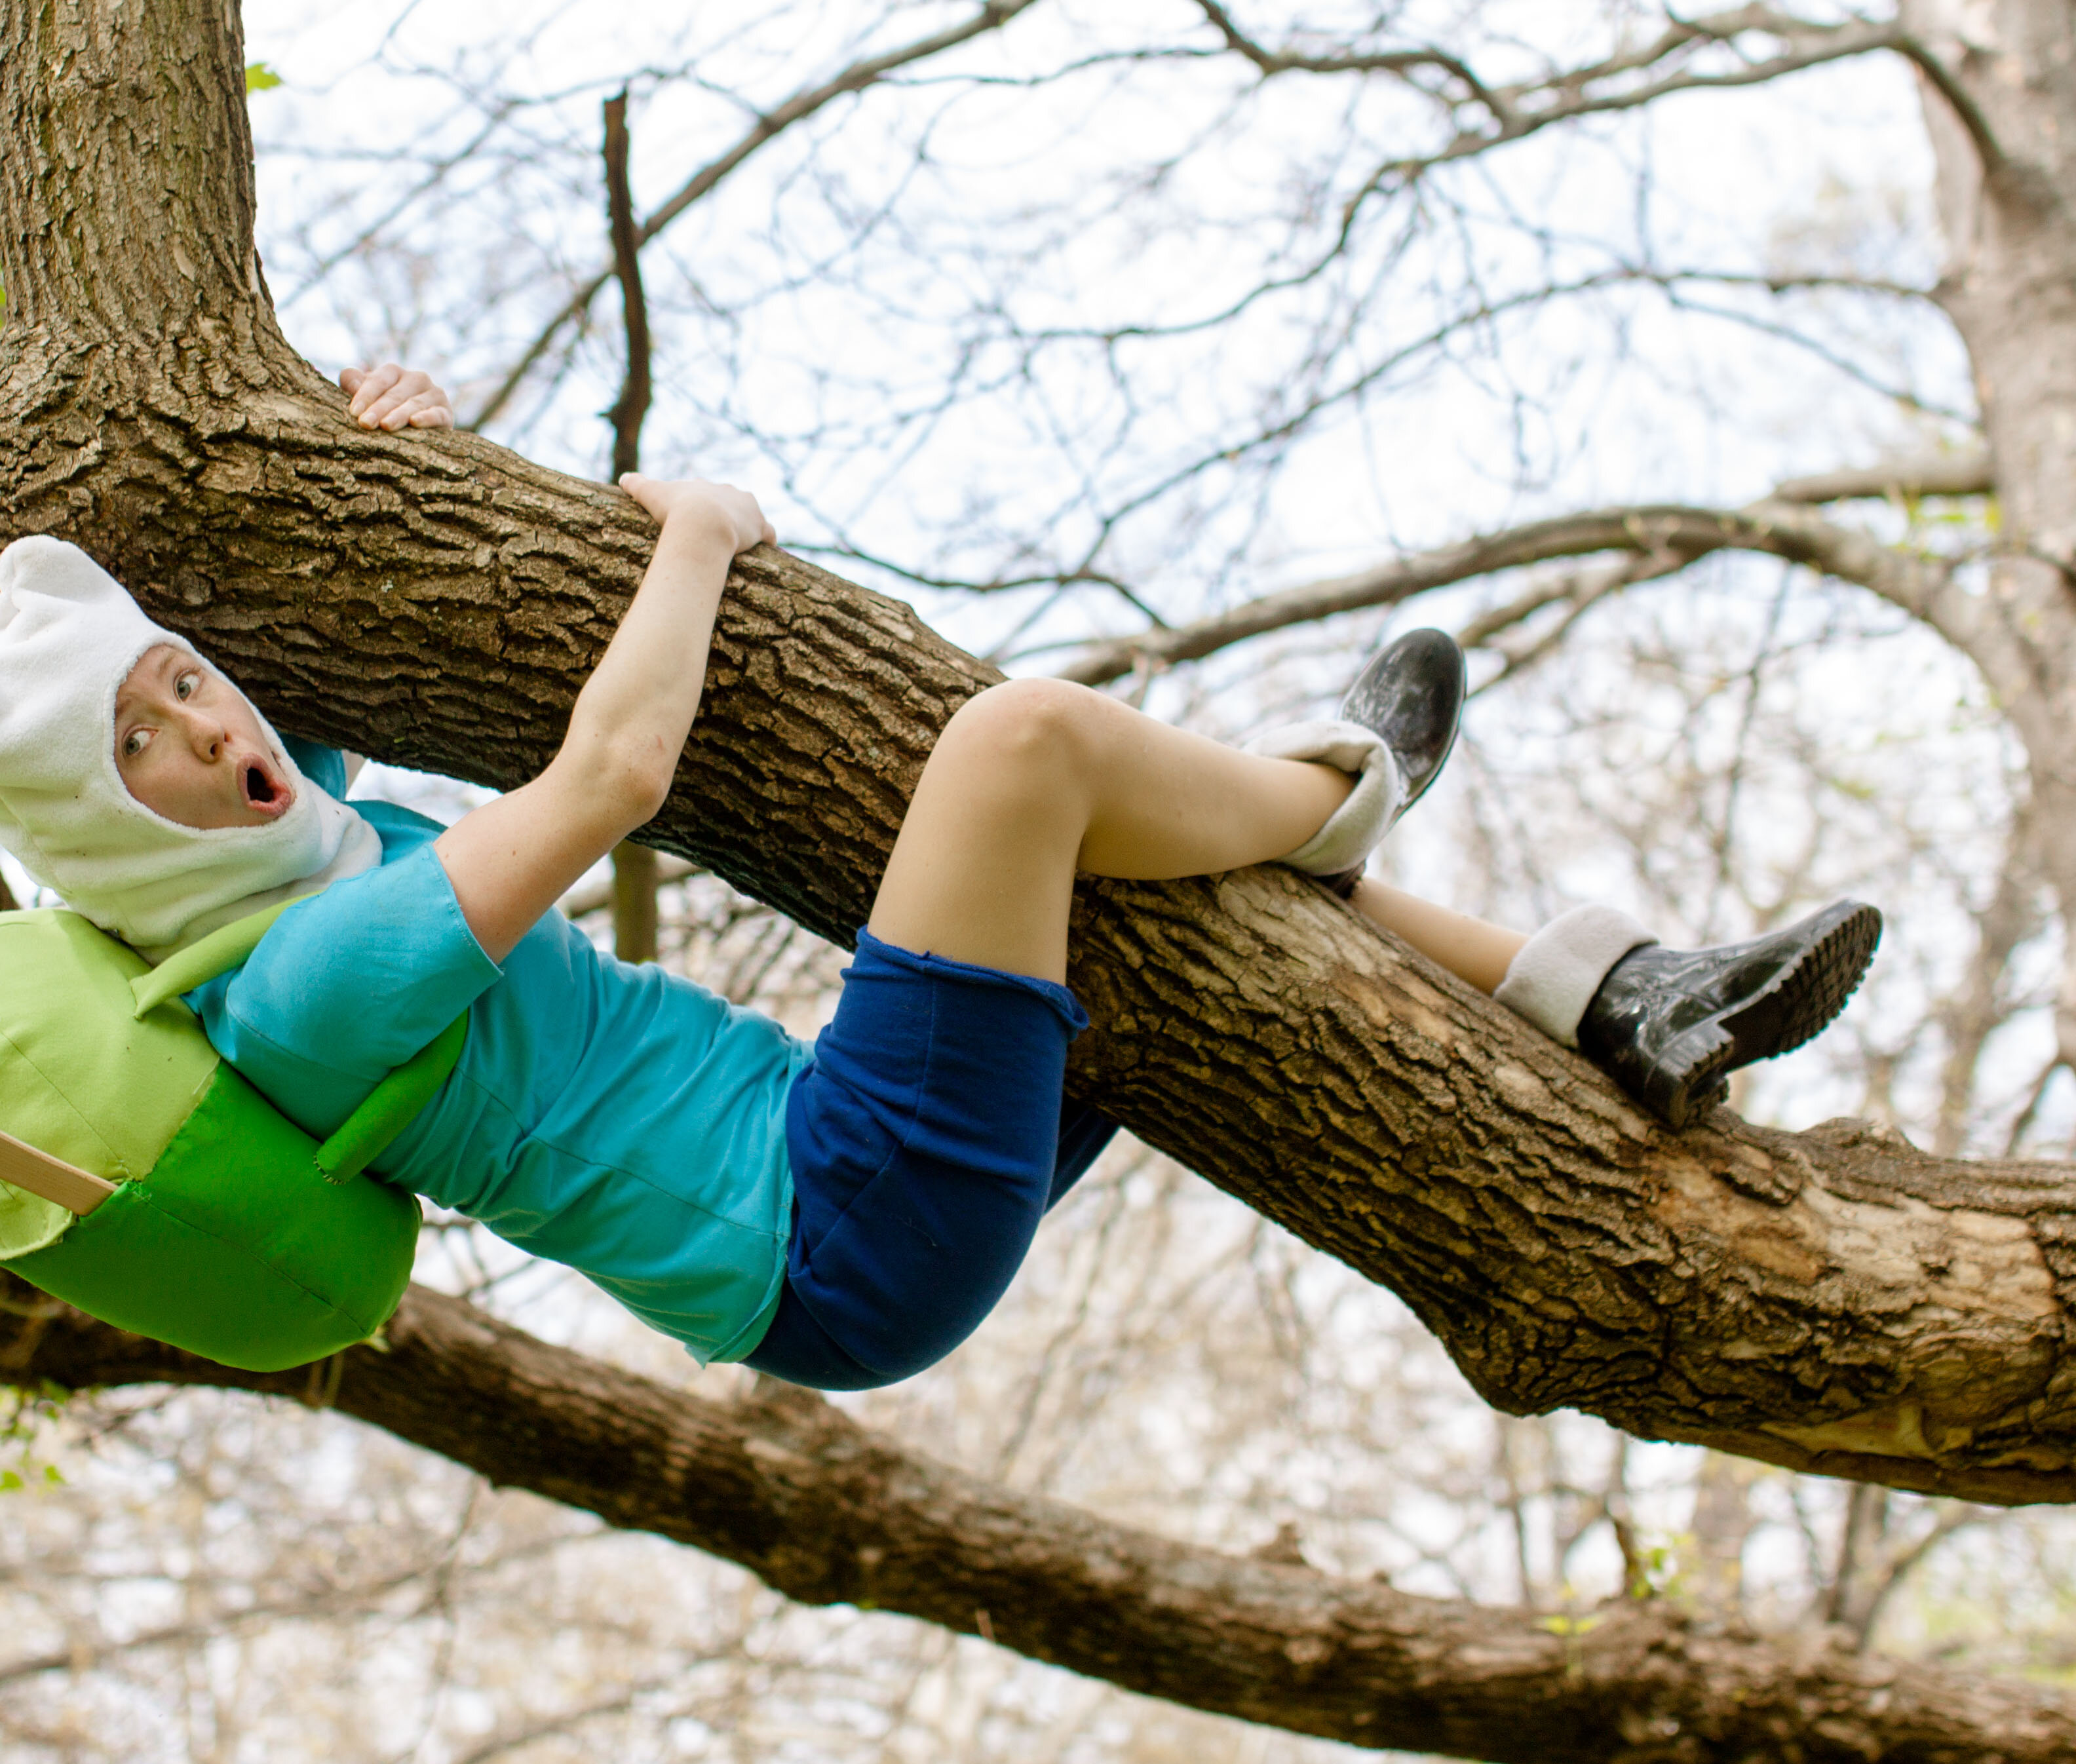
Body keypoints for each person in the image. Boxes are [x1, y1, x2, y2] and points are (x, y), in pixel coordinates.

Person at [0, 366, 1879, 1390]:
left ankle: (1621, 996)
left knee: (1159, 883)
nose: (202, 726)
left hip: (839, 1178)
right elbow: (615, 774)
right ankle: (1340, 778)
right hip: (831, 1221)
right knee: (1020, 749)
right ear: (109, 837)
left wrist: (381, 435)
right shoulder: (312, 987)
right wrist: (707, 530)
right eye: (144, 745)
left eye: (184, 679)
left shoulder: (301, 876)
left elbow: (313, 746)